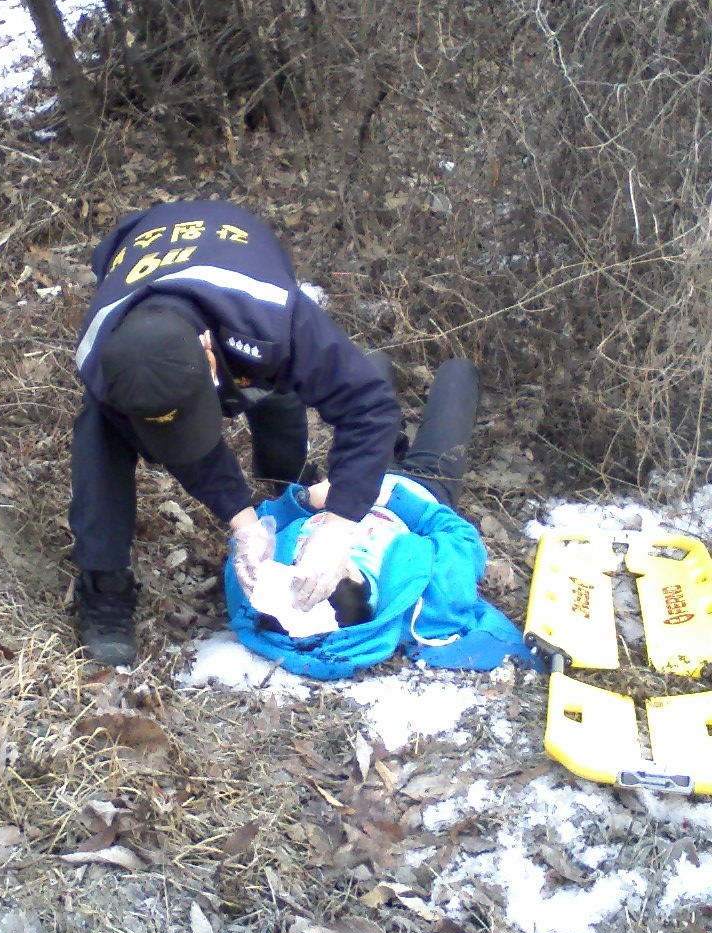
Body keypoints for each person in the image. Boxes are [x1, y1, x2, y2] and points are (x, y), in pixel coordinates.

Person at [69, 199, 402, 665]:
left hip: (241, 259)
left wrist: (340, 526)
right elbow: (182, 442)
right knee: (100, 435)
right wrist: (243, 522)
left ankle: (282, 480)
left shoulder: (274, 315)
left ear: (208, 351)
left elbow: (369, 407)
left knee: (270, 382)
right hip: (143, 262)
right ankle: (103, 586)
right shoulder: (102, 358)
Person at [224, 359, 531, 679]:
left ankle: (391, 438)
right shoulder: (418, 602)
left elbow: (254, 529)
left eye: (302, 559)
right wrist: (398, 501)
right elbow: (463, 540)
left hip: (354, 475)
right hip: (423, 486)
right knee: (458, 374)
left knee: (370, 365)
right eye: (341, 566)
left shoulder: (262, 585)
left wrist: (305, 500)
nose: (315, 555)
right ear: (363, 592)